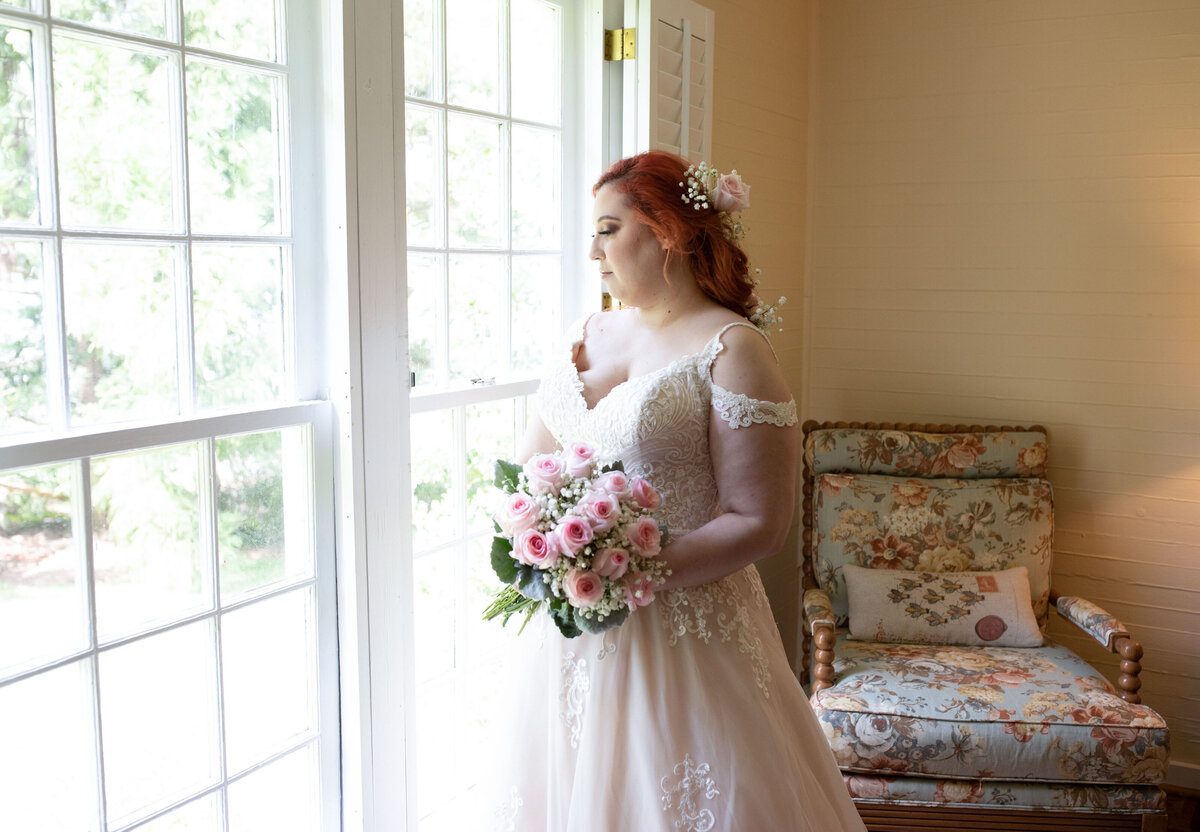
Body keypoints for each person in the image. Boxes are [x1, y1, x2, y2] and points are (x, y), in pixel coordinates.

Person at [489, 151, 866, 831]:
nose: (592, 250)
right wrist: (539, 544)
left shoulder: (732, 347)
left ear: (666, 230)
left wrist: (632, 568)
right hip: (571, 637)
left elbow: (760, 522)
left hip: (688, 641)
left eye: (608, 229)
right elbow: (526, 471)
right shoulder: (588, 334)